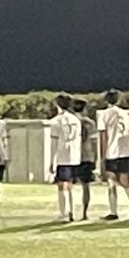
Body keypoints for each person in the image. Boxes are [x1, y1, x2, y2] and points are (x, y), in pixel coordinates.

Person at [96, 89, 129, 221]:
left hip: (111, 151)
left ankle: (113, 211)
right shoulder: (125, 114)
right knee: (124, 181)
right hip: (125, 151)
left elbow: (103, 135)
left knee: (111, 181)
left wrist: (102, 155)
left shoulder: (104, 114)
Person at [48, 93, 82, 223]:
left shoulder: (56, 121)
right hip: (74, 155)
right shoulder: (75, 120)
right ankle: (71, 211)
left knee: (62, 186)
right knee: (70, 185)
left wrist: (51, 161)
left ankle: (64, 213)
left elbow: (53, 143)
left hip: (63, 156)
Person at [72, 99, 98, 221]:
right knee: (85, 186)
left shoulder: (71, 120)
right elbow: (94, 141)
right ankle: (84, 213)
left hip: (71, 156)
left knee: (68, 186)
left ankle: (69, 212)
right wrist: (96, 158)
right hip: (86, 156)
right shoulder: (90, 123)